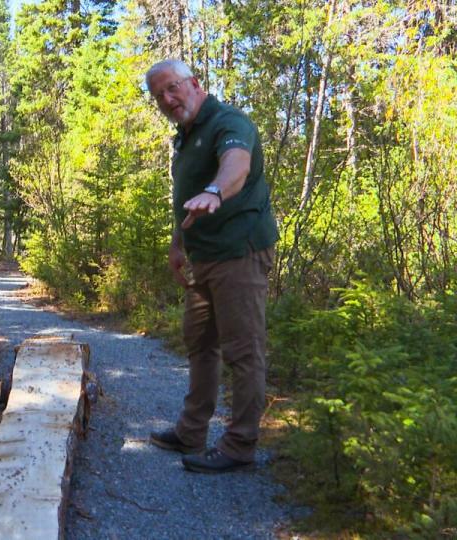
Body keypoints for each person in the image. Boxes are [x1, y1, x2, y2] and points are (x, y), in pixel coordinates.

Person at [144, 59, 278, 473]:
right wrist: (177, 244)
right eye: (158, 95)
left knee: (244, 350)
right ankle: (191, 431)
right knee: (201, 344)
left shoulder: (228, 121)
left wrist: (216, 192)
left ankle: (240, 445)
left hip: (239, 252)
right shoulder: (183, 138)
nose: (167, 99)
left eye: (172, 88)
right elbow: (183, 196)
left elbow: (236, 164)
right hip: (202, 258)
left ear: (194, 83)